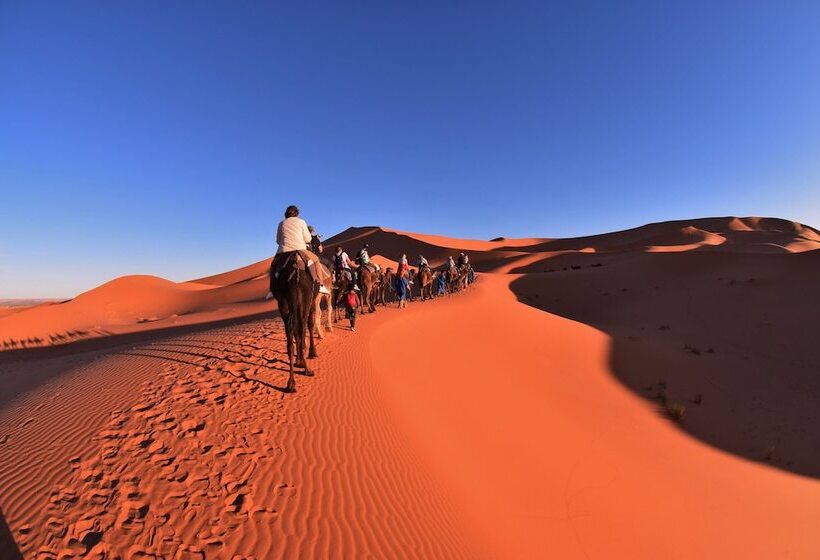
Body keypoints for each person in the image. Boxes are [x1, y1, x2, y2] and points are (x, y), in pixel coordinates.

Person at [273, 205, 330, 294]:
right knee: (316, 261)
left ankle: (272, 289)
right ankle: (321, 285)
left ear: (286, 214)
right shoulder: (301, 222)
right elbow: (308, 239)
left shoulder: (281, 223)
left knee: (274, 265)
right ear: (297, 214)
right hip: (300, 250)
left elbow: (278, 240)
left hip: (283, 251)